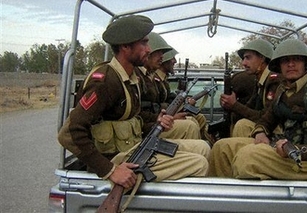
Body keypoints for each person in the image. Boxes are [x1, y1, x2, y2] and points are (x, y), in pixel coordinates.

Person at [58, 15, 209, 191]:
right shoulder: (106, 81)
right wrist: (109, 170)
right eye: (143, 43)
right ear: (125, 46)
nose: (149, 49)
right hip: (119, 162)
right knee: (200, 163)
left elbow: (132, 123)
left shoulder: (130, 79)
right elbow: (68, 133)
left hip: (136, 149)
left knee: (203, 148)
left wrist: (157, 123)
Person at [209, 39, 307, 181]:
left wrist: (298, 150)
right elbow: (268, 118)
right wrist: (261, 131)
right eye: (285, 61)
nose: (290, 64)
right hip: (283, 148)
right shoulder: (283, 90)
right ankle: (222, 199)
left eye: (296, 60)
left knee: (247, 158)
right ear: (279, 65)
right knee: (222, 148)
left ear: (305, 63)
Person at [136, 32, 202, 140]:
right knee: (190, 126)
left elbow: (157, 105)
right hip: (147, 130)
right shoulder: (140, 77)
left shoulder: (149, 77)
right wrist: (170, 117)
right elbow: (142, 111)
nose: (174, 61)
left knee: (194, 121)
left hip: (153, 124)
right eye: (159, 52)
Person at [220, 39, 281, 137]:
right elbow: (249, 107)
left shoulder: (274, 81)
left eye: (248, 58)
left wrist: (235, 105)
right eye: (243, 59)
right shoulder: (260, 81)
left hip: (276, 134)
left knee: (242, 125)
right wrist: (229, 104)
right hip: (265, 130)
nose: (244, 63)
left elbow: (265, 117)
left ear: (262, 58)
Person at [155, 46, 211, 142]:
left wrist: (184, 102)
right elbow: (155, 108)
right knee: (190, 125)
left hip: (164, 118)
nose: (175, 61)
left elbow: (167, 100)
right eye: (172, 58)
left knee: (199, 118)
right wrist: (173, 116)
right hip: (157, 124)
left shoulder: (162, 80)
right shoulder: (154, 79)